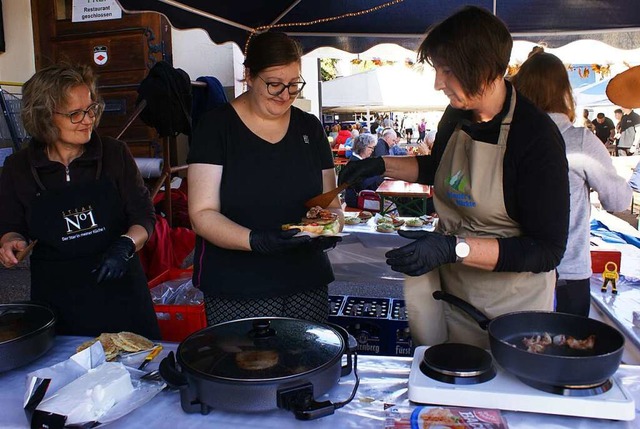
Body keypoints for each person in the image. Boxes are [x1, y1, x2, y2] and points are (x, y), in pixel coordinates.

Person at [338, 6, 569, 348]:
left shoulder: (535, 138)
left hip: (509, 311)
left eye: (447, 71)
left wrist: (454, 247)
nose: (437, 84)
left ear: (485, 68)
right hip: (451, 292)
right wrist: (379, 165)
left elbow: (547, 250)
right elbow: (442, 169)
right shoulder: (457, 114)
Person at [186, 32, 342, 326]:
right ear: (248, 75)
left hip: (305, 280)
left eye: (294, 85)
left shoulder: (309, 127)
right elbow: (201, 214)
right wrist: (256, 240)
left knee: (306, 365)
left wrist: (328, 225)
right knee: (244, 367)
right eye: (274, 85)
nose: (285, 95)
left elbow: (331, 204)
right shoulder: (216, 127)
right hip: (237, 285)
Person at [0, 63, 160, 339]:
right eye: (75, 114)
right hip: (59, 296)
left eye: (91, 109)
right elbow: (11, 225)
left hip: (121, 291)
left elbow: (143, 216)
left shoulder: (114, 154)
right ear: (44, 117)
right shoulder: (18, 168)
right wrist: (11, 242)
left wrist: (125, 245)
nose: (88, 119)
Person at [511, 49, 631, 317]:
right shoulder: (579, 141)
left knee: (520, 351)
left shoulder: (509, 139)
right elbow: (618, 200)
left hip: (515, 271)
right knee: (568, 352)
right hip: (567, 273)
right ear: (564, 92)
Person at [344, 133, 384, 208]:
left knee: (388, 205)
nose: (372, 150)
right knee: (391, 207)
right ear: (363, 147)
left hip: (362, 197)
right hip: (357, 200)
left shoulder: (358, 161)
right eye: (371, 148)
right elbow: (362, 184)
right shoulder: (355, 163)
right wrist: (379, 175)